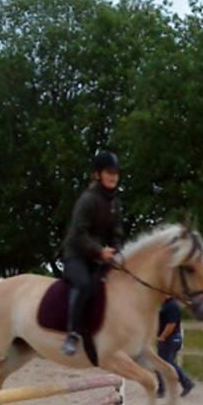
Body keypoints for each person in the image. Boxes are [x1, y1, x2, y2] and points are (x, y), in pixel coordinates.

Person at [60, 149, 124, 356]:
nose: (113, 176)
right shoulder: (87, 199)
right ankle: (73, 333)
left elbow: (116, 233)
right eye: (109, 172)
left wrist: (117, 252)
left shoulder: (114, 203)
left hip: (99, 257)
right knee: (84, 284)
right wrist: (99, 251)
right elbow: (78, 234)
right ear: (97, 174)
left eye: (115, 172)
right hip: (76, 255)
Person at [157, 296, 195, 397]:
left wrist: (162, 336)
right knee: (167, 363)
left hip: (170, 339)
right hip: (170, 339)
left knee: (164, 364)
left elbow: (171, 324)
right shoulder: (165, 304)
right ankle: (185, 383)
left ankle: (164, 389)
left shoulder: (171, 306)